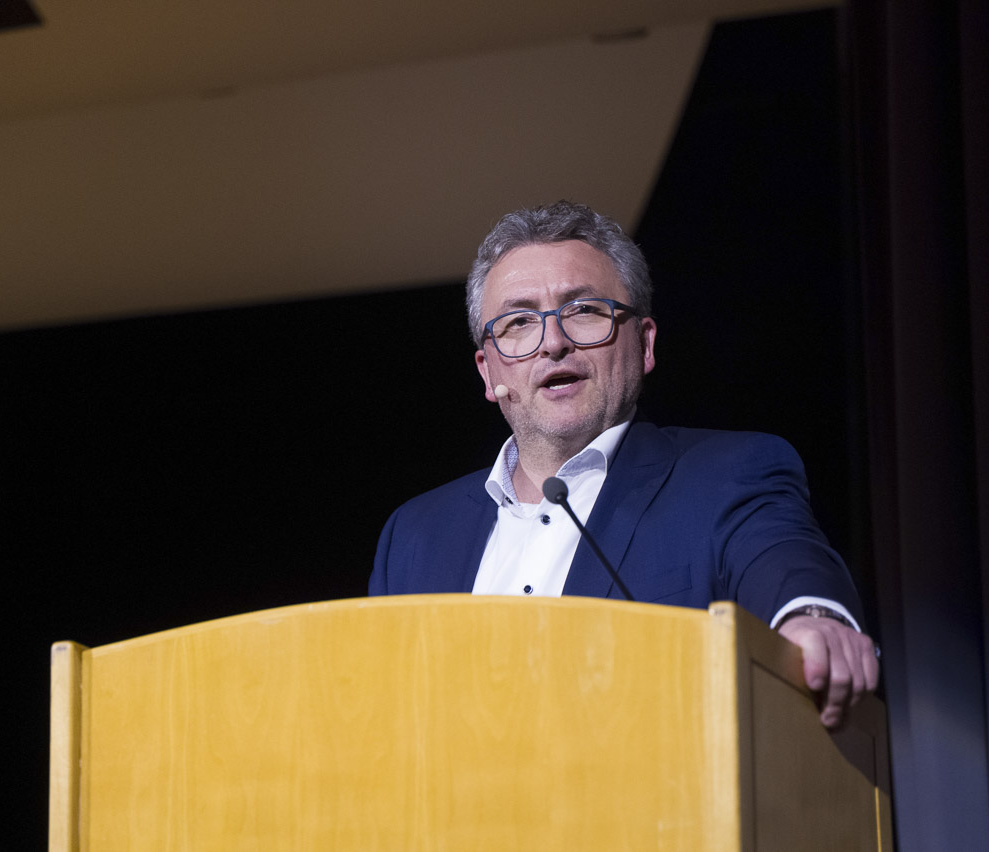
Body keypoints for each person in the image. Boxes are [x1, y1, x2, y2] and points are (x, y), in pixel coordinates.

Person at [370, 201, 878, 727]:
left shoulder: (726, 476)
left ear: (645, 344)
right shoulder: (415, 535)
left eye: (584, 311)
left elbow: (782, 560)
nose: (553, 343)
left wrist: (814, 618)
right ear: (488, 370)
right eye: (519, 321)